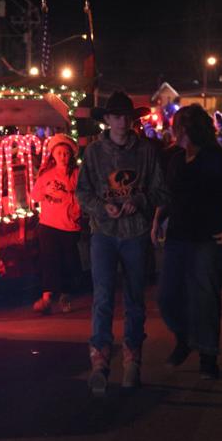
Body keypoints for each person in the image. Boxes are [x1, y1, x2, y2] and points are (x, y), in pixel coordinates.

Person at [76, 91, 168, 395]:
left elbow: (160, 191)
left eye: (127, 116)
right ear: (107, 119)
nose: (122, 122)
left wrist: (138, 200)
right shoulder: (93, 153)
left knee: (134, 298)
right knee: (102, 297)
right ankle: (99, 360)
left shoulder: (146, 151)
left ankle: (132, 360)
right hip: (103, 232)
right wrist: (103, 207)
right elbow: (83, 193)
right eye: (116, 116)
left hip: (136, 232)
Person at [152, 105, 222, 380]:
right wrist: (158, 219)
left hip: (208, 238)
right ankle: (184, 337)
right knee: (167, 296)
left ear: (186, 128)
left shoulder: (214, 158)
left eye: (176, 124)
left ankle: (208, 356)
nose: (172, 128)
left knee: (205, 297)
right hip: (178, 237)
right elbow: (171, 195)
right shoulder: (176, 159)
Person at [30, 134, 82, 314]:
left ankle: (65, 295)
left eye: (66, 153)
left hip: (68, 225)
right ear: (53, 155)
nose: (62, 156)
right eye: (59, 153)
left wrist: (70, 200)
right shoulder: (46, 174)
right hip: (48, 224)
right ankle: (46, 298)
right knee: (49, 260)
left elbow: (83, 198)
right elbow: (34, 196)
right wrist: (46, 190)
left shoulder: (77, 174)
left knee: (68, 261)